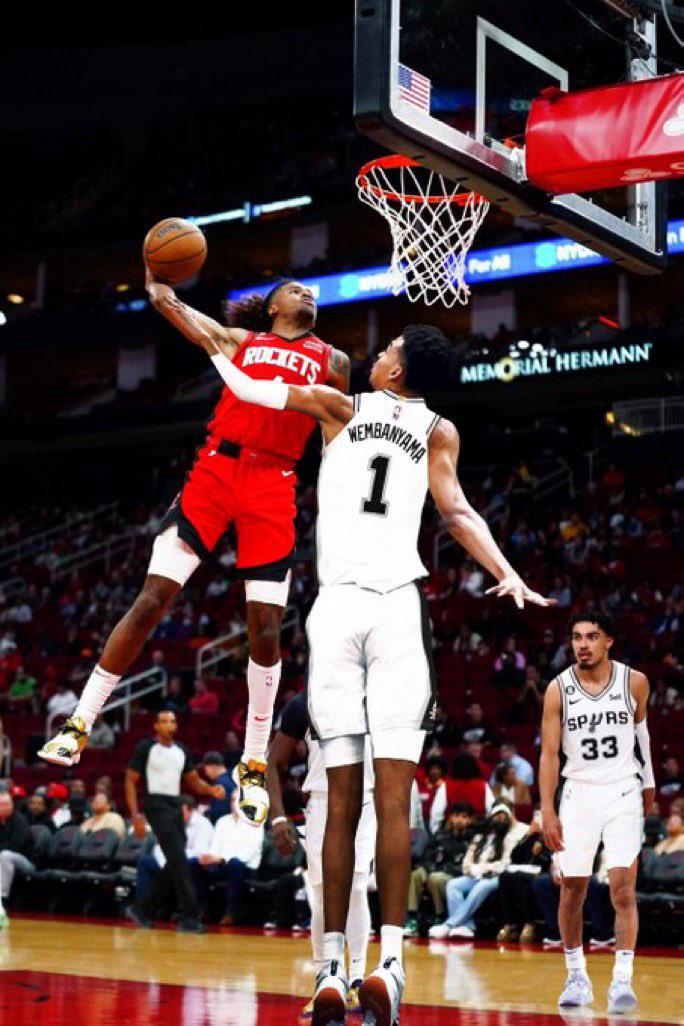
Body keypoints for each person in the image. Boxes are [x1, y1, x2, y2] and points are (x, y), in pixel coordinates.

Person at [209, 321, 553, 1024]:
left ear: (396, 371)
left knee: (340, 798)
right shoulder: (439, 431)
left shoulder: (339, 405)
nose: (379, 353)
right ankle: (391, 964)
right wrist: (507, 572)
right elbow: (457, 512)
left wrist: (205, 334)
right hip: (398, 609)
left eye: (389, 348)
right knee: (394, 798)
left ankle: (331, 969)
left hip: (337, 608)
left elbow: (248, 386)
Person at [38, 274, 350, 831]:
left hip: (274, 484)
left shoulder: (334, 360)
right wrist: (157, 283)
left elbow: (338, 433)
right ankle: (80, 722)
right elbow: (177, 310)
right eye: (294, 289)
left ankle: (253, 761)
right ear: (272, 306)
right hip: (215, 473)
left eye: (311, 292)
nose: (307, 294)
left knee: (265, 629)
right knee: (150, 600)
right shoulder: (240, 340)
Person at [540, 613, 655, 1014]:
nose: (582, 644)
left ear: (609, 641)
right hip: (578, 794)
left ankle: (622, 979)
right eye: (576, 637)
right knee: (573, 888)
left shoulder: (634, 682)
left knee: (623, 887)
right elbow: (549, 754)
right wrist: (547, 809)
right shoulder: (557, 689)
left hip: (623, 790)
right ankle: (576, 974)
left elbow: (642, 736)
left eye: (591, 636)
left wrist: (649, 783)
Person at [266, 691, 376, 1018]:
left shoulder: (378, 694)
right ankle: (326, 979)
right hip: (321, 801)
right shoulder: (304, 702)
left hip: (365, 800)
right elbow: (273, 763)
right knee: (322, 895)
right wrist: (278, 818)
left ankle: (357, 979)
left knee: (356, 888)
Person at [125, 710, 225, 933]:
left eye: (172, 721)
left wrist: (211, 790)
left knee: (175, 861)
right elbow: (130, 781)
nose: (169, 725)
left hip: (175, 804)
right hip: (155, 804)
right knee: (179, 859)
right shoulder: (146, 747)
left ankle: (142, 909)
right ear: (156, 726)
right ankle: (189, 916)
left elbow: (195, 782)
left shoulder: (182, 750)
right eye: (164, 721)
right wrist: (135, 815)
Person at [429, 801, 527, 939]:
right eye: (496, 816)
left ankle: (450, 925)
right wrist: (472, 869)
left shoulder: (508, 838)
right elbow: (466, 862)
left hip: (495, 876)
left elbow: (505, 864)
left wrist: (483, 869)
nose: (499, 820)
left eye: (502, 817)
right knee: (453, 885)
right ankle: (466, 926)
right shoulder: (480, 837)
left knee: (481, 886)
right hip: (475, 874)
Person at [190, 791, 264, 924]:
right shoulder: (222, 821)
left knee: (235, 863)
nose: (234, 803)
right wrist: (208, 858)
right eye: (232, 799)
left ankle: (232, 912)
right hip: (221, 865)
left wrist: (222, 859)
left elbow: (248, 854)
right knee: (194, 863)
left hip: (246, 868)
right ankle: (201, 909)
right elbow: (214, 848)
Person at [134, 795, 214, 917]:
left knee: (187, 864)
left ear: (190, 810)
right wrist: (167, 861)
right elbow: (159, 847)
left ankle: (189, 912)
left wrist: (174, 858)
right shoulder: (173, 821)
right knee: (145, 861)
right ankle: (140, 909)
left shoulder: (203, 824)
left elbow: (200, 852)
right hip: (169, 861)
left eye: (180, 811)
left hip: (189, 862)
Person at [405, 804, 474, 937]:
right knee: (415, 874)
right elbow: (427, 856)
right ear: (450, 818)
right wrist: (428, 868)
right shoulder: (440, 835)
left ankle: (440, 917)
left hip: (455, 875)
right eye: (456, 816)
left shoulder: (473, 839)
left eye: (464, 817)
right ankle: (412, 919)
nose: (459, 820)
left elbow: (467, 866)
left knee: (435, 878)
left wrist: (442, 870)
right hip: (435, 871)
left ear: (470, 820)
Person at [496, 808, 550, 942]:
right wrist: (527, 836)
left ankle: (530, 924)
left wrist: (541, 847)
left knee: (521, 879)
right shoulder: (530, 835)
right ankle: (510, 924)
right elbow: (515, 856)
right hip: (524, 870)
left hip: (544, 872)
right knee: (505, 876)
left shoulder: (551, 835)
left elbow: (548, 860)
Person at [0, 791, 34, 928]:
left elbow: (15, 846)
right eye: (1, 804)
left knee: (5, 855)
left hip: (25, 861)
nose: (3, 807)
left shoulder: (20, 821)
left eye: (6, 804)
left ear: (12, 805)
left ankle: (2, 898)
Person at [201, 751, 236, 824]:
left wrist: (205, 812)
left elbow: (219, 811)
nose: (206, 773)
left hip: (225, 825)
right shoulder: (233, 777)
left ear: (213, 767)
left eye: (206, 769)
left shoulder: (221, 783)